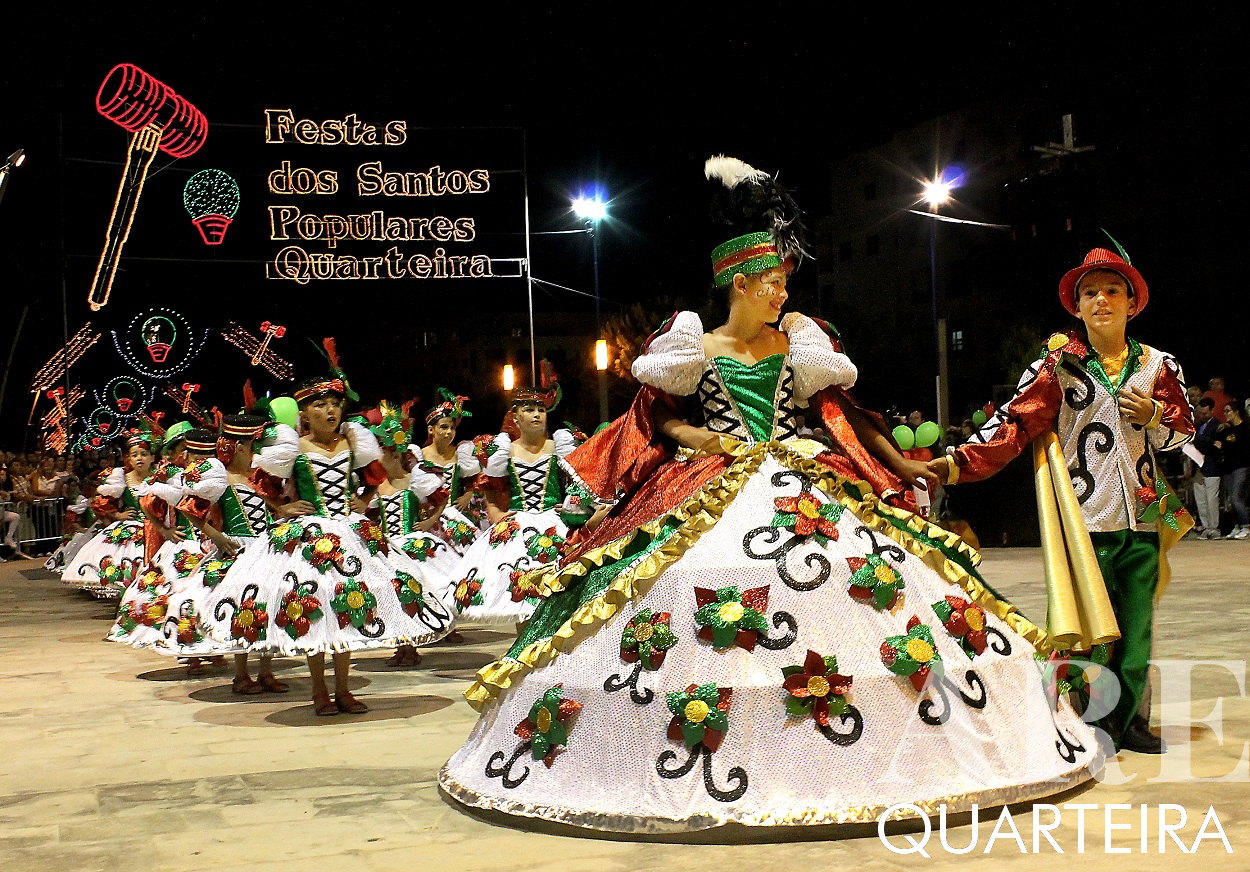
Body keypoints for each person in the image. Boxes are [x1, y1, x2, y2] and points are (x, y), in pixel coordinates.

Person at [438, 156, 1099, 834]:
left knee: (862, 590)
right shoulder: (694, 341)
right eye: (774, 282)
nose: (784, 293)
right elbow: (656, 410)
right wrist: (692, 433)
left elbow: (847, 413)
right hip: (711, 476)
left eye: (786, 282)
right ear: (740, 283)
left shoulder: (800, 341)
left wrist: (903, 461)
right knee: (680, 584)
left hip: (799, 471)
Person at [928, 245, 1194, 754]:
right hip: (1083, 517)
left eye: (1112, 291)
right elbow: (1013, 423)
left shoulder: (1160, 367)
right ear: (1076, 307)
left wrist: (1156, 416)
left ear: (1132, 303)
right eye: (1089, 292)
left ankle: (1131, 721)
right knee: (1087, 627)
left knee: (1136, 631)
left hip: (1140, 516)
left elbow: (1180, 436)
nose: (1101, 300)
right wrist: (958, 462)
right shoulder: (1057, 366)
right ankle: (1082, 719)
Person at [201, 372, 454, 715]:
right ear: (305, 414)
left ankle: (344, 690)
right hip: (311, 537)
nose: (330, 410)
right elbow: (262, 484)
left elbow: (374, 479)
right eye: (320, 404)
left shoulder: (353, 443)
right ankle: (320, 691)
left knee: (350, 608)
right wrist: (284, 507)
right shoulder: (293, 447)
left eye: (335, 403)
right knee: (314, 609)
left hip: (349, 533)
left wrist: (363, 502)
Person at [445, 370, 591, 626]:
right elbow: (489, 490)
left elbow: (580, 487)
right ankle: (524, 657)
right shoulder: (504, 450)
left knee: (557, 595)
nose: (536, 414)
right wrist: (498, 515)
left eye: (541, 409)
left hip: (554, 524)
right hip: (518, 527)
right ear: (515, 416)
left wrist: (570, 506)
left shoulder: (561, 446)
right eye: (529, 409)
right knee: (520, 594)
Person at [61, 429, 159, 596]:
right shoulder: (120, 478)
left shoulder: (159, 478)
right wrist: (117, 515)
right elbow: (99, 503)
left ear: (152, 458)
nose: (139, 459)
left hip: (156, 529)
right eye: (134, 455)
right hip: (131, 528)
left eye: (144, 454)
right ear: (128, 458)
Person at [1216, 399, 1249, 539]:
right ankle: (1237, 526)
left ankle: (1246, 526)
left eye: (1228, 411)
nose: (1225, 414)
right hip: (1228, 468)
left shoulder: (1246, 428)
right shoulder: (1227, 429)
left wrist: (1224, 446)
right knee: (1230, 501)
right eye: (1224, 411)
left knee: (1237, 498)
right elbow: (1220, 444)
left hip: (1241, 466)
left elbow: (1242, 448)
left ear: (1236, 412)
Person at [1191, 398, 1223, 538]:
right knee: (1201, 500)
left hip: (1212, 467)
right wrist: (1209, 442)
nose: (1202, 416)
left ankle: (1214, 527)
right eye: (1201, 413)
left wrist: (1202, 441)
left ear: (1212, 410)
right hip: (1197, 468)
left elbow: (1217, 445)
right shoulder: (1198, 426)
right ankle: (1205, 527)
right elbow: (1193, 441)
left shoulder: (1218, 426)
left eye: (1205, 413)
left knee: (1211, 499)